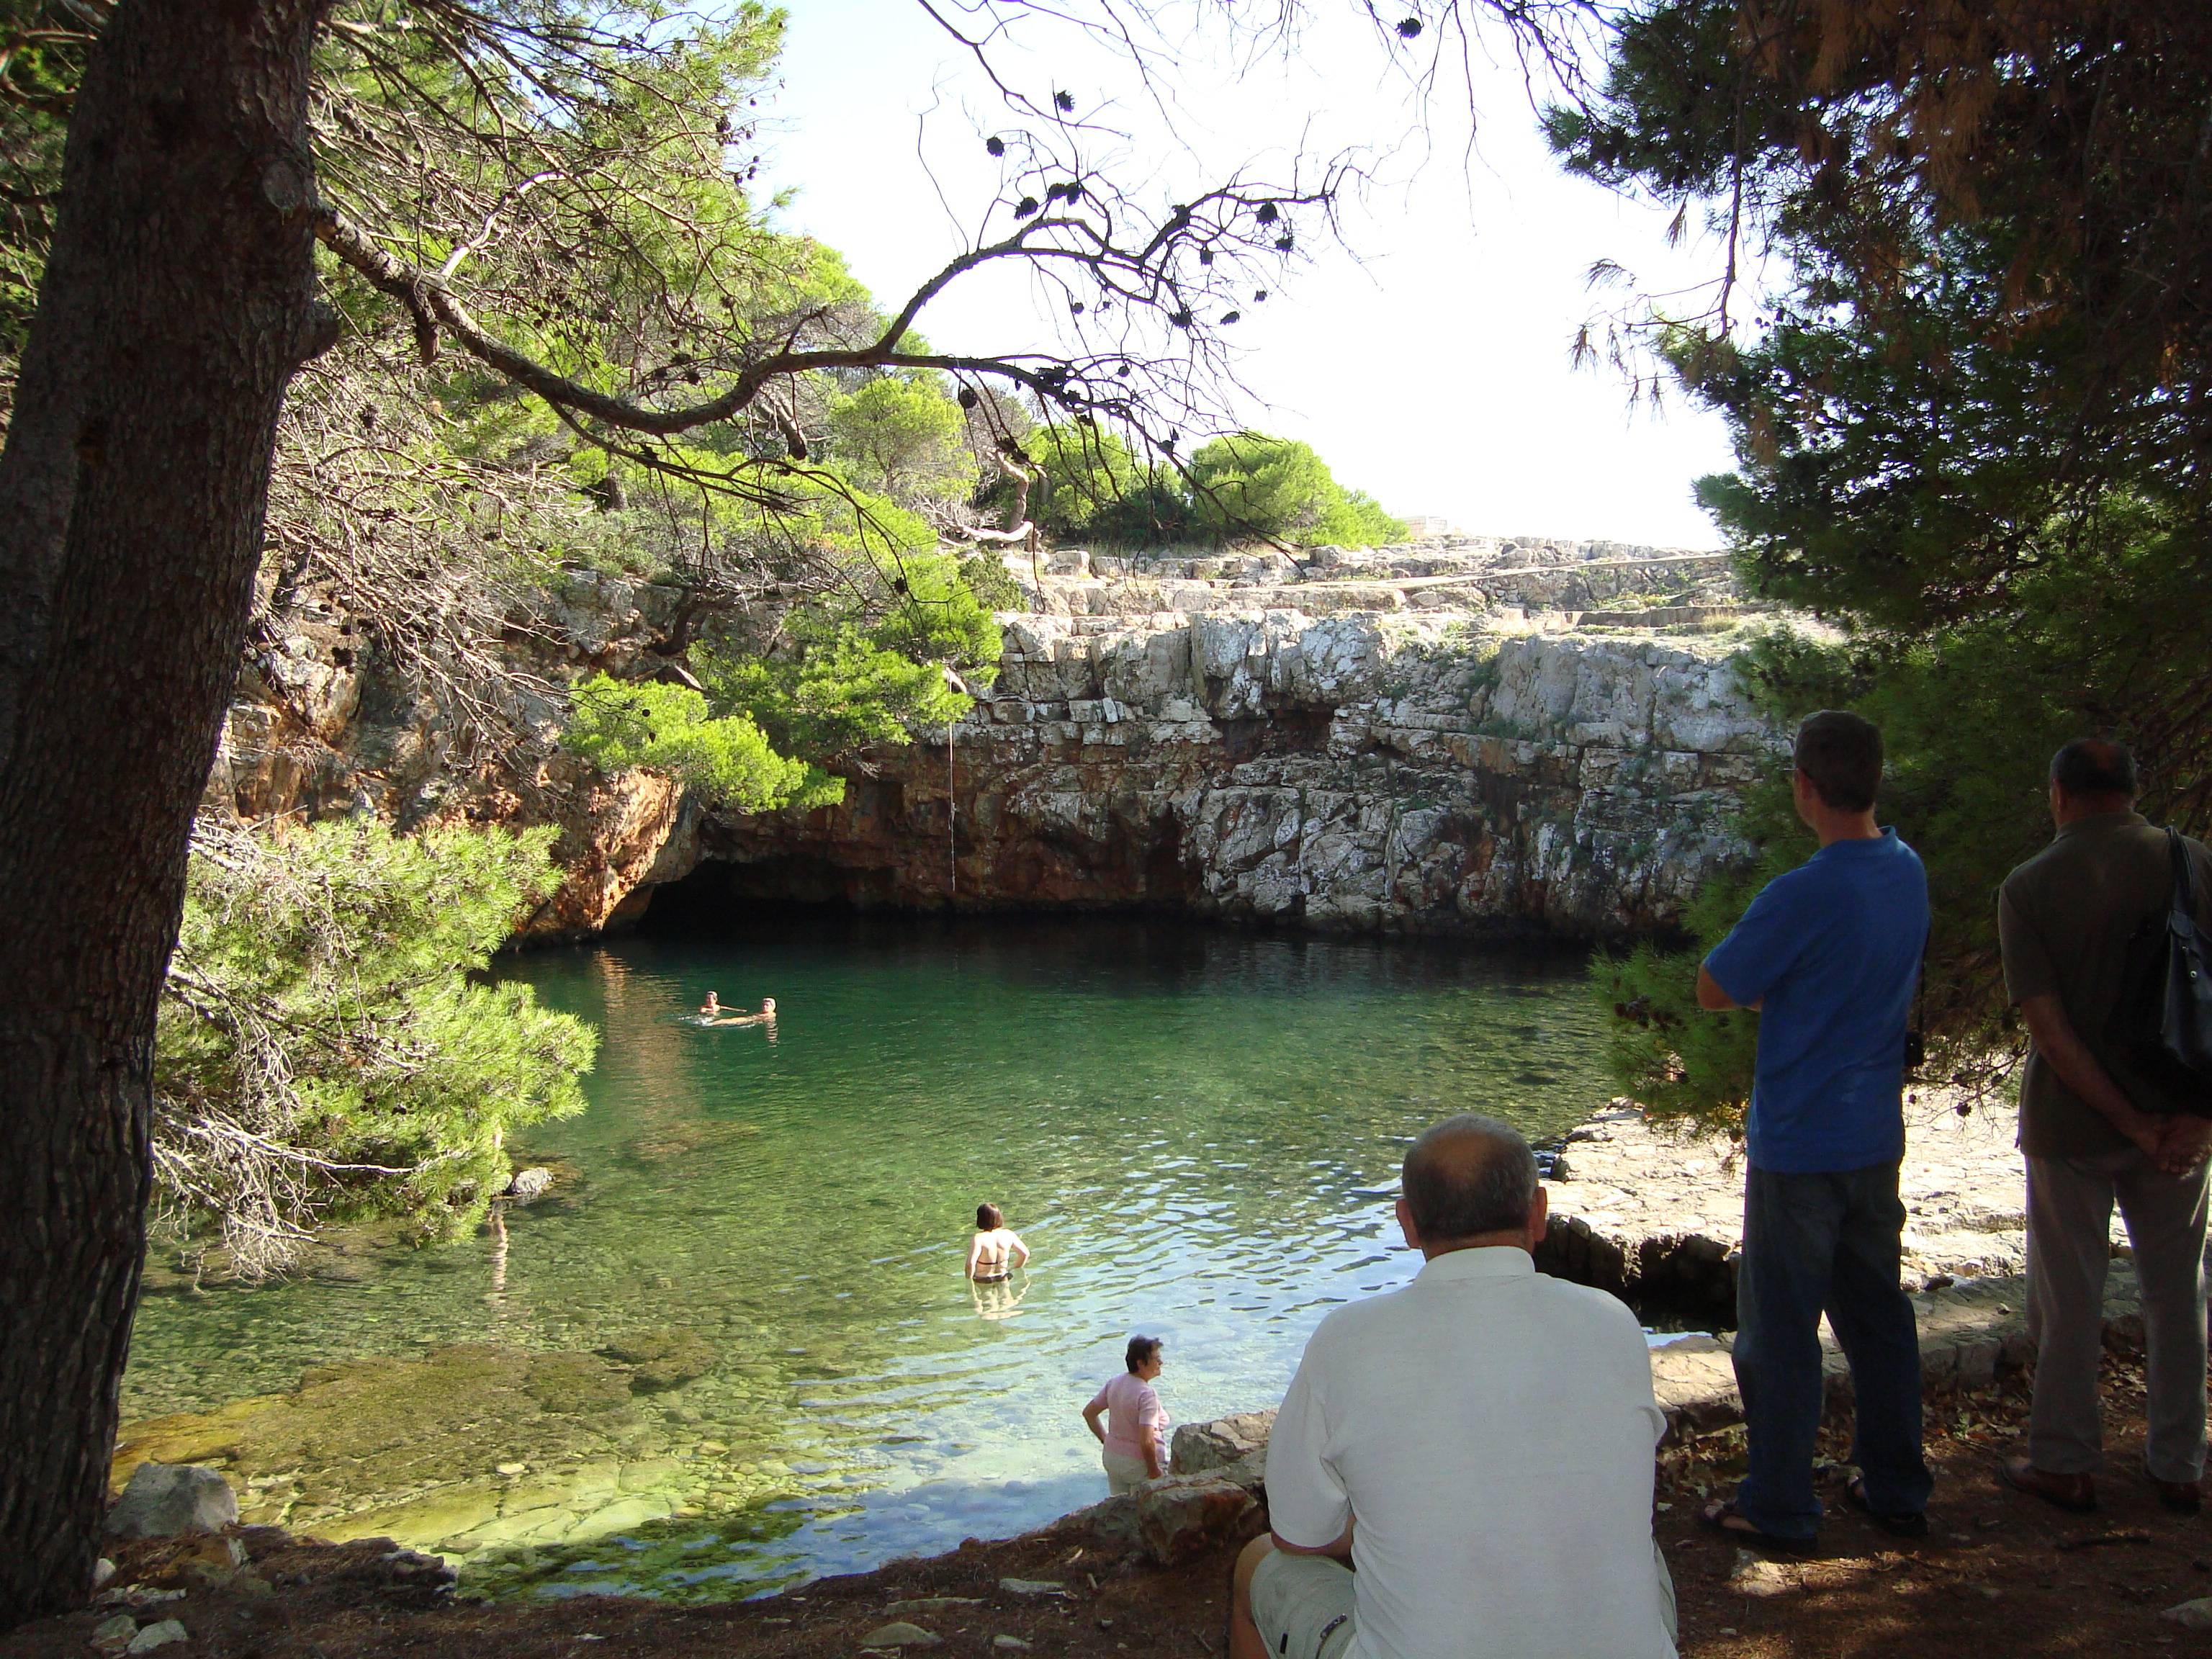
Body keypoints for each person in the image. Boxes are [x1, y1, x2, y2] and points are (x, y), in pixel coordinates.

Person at [1229, 1115, 1677, 1659]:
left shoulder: (1346, 1340)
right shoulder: (1612, 1323)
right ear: (1539, 1211)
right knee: (1638, 1548)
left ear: (1407, 1224)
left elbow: (1298, 1537)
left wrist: (1389, 1522)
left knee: (1258, 1562)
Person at [1694, 709, 1933, 1547]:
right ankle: (1898, 1486)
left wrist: (1779, 989)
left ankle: (1780, 1503)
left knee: (1779, 1333)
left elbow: (1715, 987)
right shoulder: (1906, 869)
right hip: (1874, 1137)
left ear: (1803, 785)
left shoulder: (1803, 892)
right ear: (1875, 778)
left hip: (1799, 1143)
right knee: (1877, 1319)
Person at [1997, 739, 2212, 1515]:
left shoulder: (2029, 886)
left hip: (2071, 1127)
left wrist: (2125, 1120)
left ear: (2058, 794)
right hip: (2181, 1116)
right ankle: (2179, 1462)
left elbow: (2050, 1033)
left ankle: (2065, 1460)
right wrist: (2193, 1119)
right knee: (2177, 1296)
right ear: (2134, 791)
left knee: (2069, 1300)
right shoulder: (2197, 864)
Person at [1084, 1335, 1169, 1495]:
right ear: (1141, 1363)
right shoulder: (1147, 1394)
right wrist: (1154, 1471)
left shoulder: (1115, 1382)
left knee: (1120, 1506)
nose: (1161, 1362)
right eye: (1156, 1359)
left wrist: (1106, 1440)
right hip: (1138, 1465)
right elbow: (1146, 1440)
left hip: (1112, 1459)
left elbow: (1089, 1413)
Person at [965, 1202, 1030, 1282]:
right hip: (1003, 1277)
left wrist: (969, 1282)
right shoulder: (1008, 1234)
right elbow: (1025, 1254)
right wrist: (1012, 1268)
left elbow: (970, 1264)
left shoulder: (978, 1238)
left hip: (984, 1279)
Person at [706, 996, 776, 1028]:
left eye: (767, 1005)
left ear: (773, 1007)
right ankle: (710, 1024)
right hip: (748, 1019)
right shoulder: (762, 1013)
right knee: (724, 1021)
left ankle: (710, 1024)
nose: (765, 1007)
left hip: (748, 1020)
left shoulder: (771, 1015)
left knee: (727, 1021)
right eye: (764, 1005)